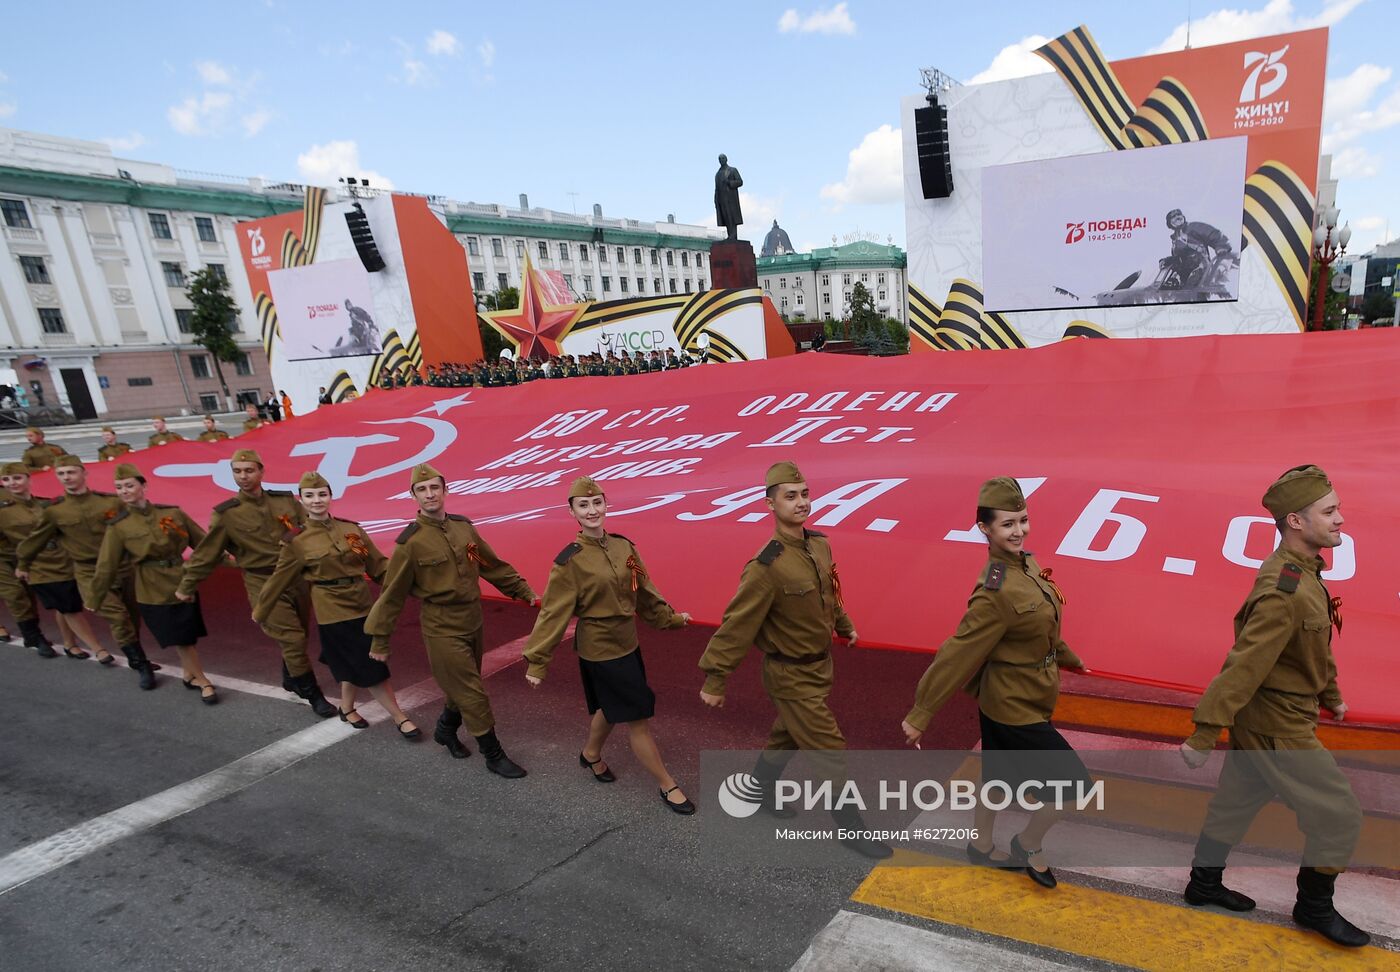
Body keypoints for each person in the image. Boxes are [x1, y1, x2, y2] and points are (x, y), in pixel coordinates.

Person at [1179, 465, 1368, 948]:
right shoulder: (1284, 590)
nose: (1341, 519)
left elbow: (1310, 649)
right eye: (1329, 511)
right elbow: (1243, 664)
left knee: (1238, 798)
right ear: (1296, 522)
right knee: (1338, 813)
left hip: (1272, 714)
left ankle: (1202, 886)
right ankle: (1313, 908)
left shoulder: (1303, 576)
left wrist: (1330, 695)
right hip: (1277, 721)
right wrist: (1204, 733)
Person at [900, 477, 1093, 888]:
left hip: (1027, 693)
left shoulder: (1029, 564)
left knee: (997, 778)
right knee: (1073, 788)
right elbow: (960, 651)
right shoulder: (995, 591)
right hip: (1012, 705)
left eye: (1022, 520)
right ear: (984, 529)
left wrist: (1070, 658)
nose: (1018, 530)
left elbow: (1045, 626)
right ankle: (1028, 843)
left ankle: (981, 846)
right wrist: (922, 711)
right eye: (1007, 524)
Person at [696, 461, 889, 858]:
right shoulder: (765, 566)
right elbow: (737, 624)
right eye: (790, 496)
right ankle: (851, 827)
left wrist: (844, 624)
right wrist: (716, 679)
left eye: (804, 494)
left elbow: (829, 590)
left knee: (786, 736)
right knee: (828, 746)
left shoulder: (818, 543)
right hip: (788, 673)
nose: (801, 502)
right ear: (770, 504)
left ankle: (760, 790)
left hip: (819, 666)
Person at [522, 477, 695, 814]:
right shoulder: (569, 561)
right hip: (599, 649)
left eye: (597, 503)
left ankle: (590, 754)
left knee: (610, 708)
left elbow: (645, 590)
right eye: (583, 505)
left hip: (627, 643)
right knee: (637, 716)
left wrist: (669, 618)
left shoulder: (623, 546)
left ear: (606, 504)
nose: (592, 510)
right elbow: (553, 613)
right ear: (571, 511)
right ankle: (667, 784)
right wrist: (537, 660)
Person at [365, 463, 536, 778]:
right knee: (472, 691)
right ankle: (493, 754)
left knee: (462, 684)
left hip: (472, 619)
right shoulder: (410, 543)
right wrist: (379, 637)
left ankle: (445, 729)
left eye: (434, 487)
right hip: (441, 625)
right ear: (413, 495)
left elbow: (490, 564)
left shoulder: (463, 528)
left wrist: (522, 591)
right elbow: (392, 593)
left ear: (445, 490)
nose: (429, 494)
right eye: (422, 490)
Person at [254, 472, 417, 738]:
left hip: (363, 605)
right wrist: (262, 611)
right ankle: (400, 717)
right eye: (310, 496)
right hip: (332, 610)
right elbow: (279, 578)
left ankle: (347, 708)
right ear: (301, 500)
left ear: (330, 496)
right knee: (370, 665)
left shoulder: (351, 529)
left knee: (349, 662)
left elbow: (377, 566)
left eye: (322, 494)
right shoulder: (297, 540)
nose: (317, 500)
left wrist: (408, 584)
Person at [177, 449, 337, 717]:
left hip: (296, 579)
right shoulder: (227, 514)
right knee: (293, 639)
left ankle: (290, 677)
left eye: (249, 470)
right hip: (261, 581)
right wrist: (187, 585)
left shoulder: (284, 502)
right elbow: (207, 552)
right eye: (237, 471)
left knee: (300, 633)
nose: (243, 476)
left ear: (261, 471)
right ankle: (312, 693)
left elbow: (309, 529)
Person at [16, 455, 155, 688]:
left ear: (84, 473)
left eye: (71, 472)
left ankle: (136, 651)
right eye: (61, 474)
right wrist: (23, 564)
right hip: (89, 572)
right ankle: (140, 663)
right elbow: (35, 540)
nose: (67, 477)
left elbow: (134, 525)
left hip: (122, 567)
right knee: (118, 617)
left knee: (131, 615)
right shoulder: (55, 511)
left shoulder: (110, 503)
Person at [89, 463, 213, 702]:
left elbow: (205, 545)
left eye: (129, 485)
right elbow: (107, 565)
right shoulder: (119, 527)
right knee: (181, 638)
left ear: (143, 486)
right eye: (119, 487)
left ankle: (189, 675)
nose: (124, 491)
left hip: (181, 581)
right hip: (151, 588)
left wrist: (234, 562)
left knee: (188, 634)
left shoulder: (172, 513)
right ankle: (203, 680)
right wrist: (95, 597)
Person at [1, 462, 108, 661]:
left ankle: (69, 643)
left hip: (60, 561)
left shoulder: (45, 504)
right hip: (28, 564)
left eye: (17, 478)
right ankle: (95, 648)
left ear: (28, 479)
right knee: (33, 600)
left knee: (66, 604)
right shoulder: (3, 510)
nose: (12, 483)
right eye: (6, 479)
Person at [1161, 209, 1233, 289]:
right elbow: (1179, 258)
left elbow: (1213, 233)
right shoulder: (1175, 240)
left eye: (1179, 215)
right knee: (1169, 288)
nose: (1177, 217)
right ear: (1170, 223)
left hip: (1200, 267)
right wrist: (1167, 260)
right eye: (1173, 217)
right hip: (1185, 272)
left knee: (1191, 288)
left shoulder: (1193, 227)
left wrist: (1222, 246)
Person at [714, 153, 744, 242]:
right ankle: (730, 235)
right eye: (720, 159)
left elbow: (740, 182)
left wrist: (729, 182)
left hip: (731, 198)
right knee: (725, 217)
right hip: (722, 198)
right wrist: (716, 199)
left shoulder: (732, 170)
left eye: (723, 158)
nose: (721, 160)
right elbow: (716, 188)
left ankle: (733, 235)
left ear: (726, 159)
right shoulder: (717, 174)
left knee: (732, 216)